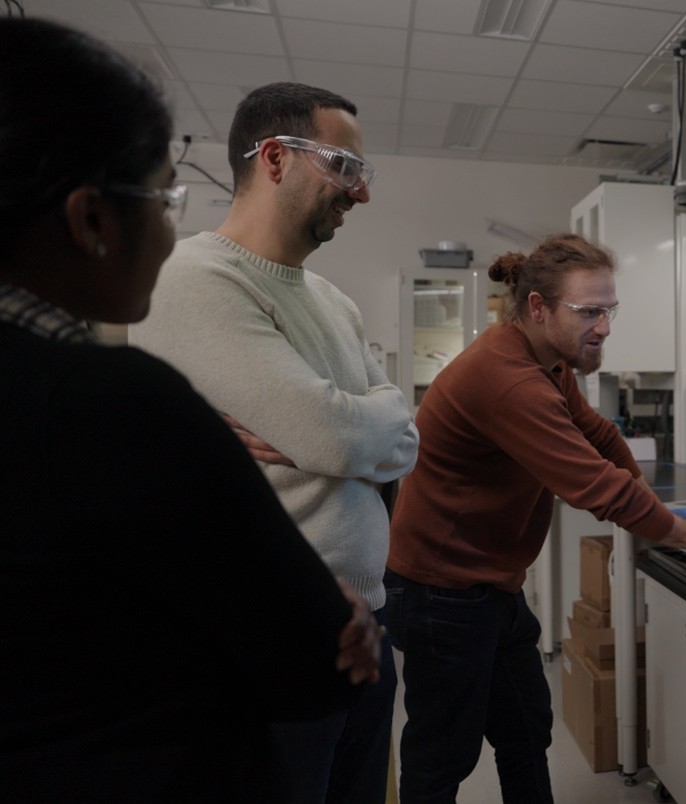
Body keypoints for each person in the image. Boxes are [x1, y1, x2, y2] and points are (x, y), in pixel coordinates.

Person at [0, 18, 382, 802]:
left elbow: (380, 431)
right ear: (91, 220)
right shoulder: (113, 399)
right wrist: (314, 609)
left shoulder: (331, 302)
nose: (171, 226)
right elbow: (308, 651)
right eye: (162, 195)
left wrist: (352, 428)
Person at [128, 82, 419, 803]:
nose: (360, 193)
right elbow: (338, 434)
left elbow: (401, 435)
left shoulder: (332, 301)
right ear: (277, 159)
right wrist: (346, 429)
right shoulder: (195, 281)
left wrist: (349, 427)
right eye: (343, 168)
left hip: (365, 625)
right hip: (268, 639)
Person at [385, 233, 686, 802]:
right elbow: (594, 487)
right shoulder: (510, 379)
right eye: (589, 312)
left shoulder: (547, 359)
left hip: (491, 584)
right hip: (440, 590)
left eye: (609, 310)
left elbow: (598, 436)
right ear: (538, 307)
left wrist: (655, 505)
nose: (604, 326)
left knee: (526, 728)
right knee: (442, 753)